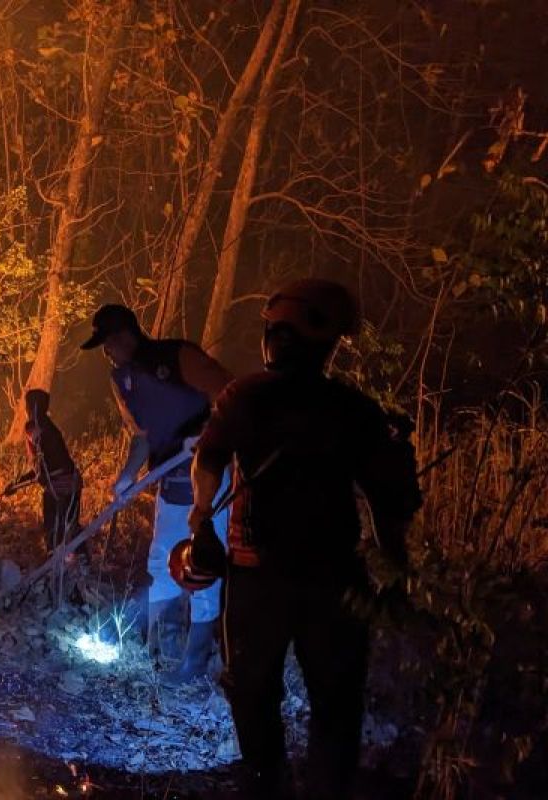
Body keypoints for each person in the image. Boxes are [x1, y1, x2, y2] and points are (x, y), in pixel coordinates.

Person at [188, 279, 421, 799]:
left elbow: (208, 461)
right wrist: (397, 574)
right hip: (334, 583)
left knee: (252, 698)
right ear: (328, 342)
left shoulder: (243, 395)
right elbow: (389, 503)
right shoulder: (354, 410)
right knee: (336, 709)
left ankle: (264, 786)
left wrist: (201, 519)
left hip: (255, 579)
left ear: (278, 334)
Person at [81, 304, 233, 682]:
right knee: (162, 563)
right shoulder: (123, 380)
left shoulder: (174, 355)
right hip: (170, 481)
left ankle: (194, 664)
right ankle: (160, 653)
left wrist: (210, 433)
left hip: (210, 481)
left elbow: (230, 393)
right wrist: (126, 477)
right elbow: (143, 437)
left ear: (123, 336)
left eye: (108, 344)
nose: (106, 353)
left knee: (202, 569)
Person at [5, 390, 83, 557]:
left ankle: (57, 562)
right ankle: (77, 561)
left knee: (55, 527)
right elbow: (41, 469)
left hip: (61, 484)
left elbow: (42, 469)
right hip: (70, 482)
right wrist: (17, 484)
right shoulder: (47, 426)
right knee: (70, 526)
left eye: (28, 406)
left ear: (31, 408)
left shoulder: (37, 427)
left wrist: (18, 483)